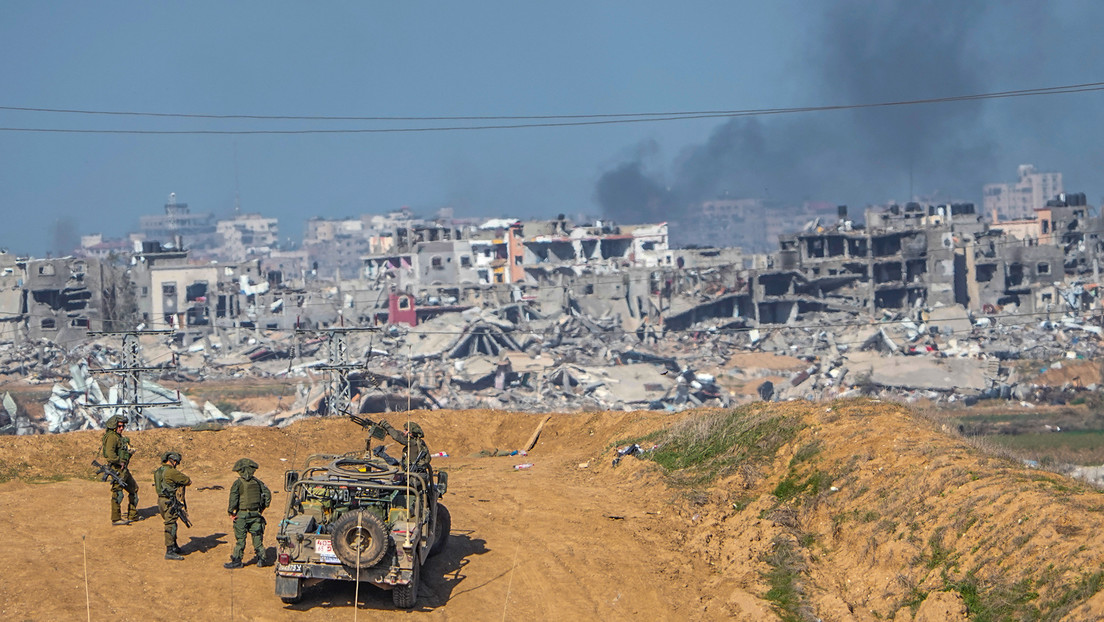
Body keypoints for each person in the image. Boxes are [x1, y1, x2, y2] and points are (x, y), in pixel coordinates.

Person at [224, 458, 272, 569]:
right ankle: (261, 559)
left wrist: (231, 512)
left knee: (240, 540)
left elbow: (233, 499)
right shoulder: (258, 482)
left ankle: (237, 561)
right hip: (256, 515)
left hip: (242, 515)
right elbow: (268, 495)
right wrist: (262, 509)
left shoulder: (238, 483)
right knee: (257, 537)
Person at [101, 414, 139, 526]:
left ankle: (132, 515)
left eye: (123, 426)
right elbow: (110, 455)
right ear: (113, 426)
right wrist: (119, 461)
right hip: (117, 469)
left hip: (124, 470)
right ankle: (116, 518)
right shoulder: (111, 437)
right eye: (119, 426)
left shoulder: (118, 437)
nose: (122, 428)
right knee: (117, 493)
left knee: (134, 489)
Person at [153, 451, 191, 561]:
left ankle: (174, 546)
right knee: (170, 524)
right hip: (169, 501)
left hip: (161, 501)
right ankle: (170, 551)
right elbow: (187, 481)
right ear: (173, 461)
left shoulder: (158, 471)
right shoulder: (171, 472)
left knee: (171, 522)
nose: (177, 465)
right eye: (177, 462)